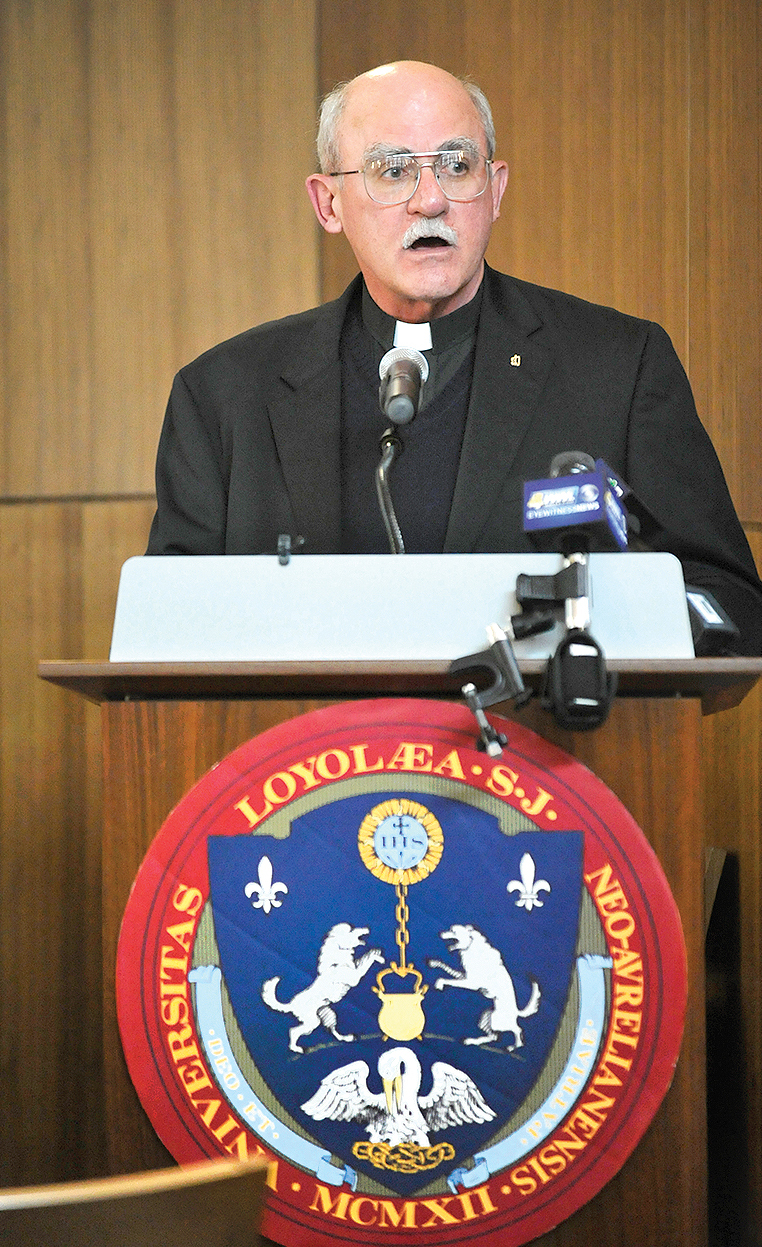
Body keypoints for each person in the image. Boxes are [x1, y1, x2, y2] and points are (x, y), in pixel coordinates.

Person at [146, 60, 762, 654]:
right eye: (392, 171)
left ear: (494, 190)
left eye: (456, 165)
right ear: (327, 204)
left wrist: (579, 625)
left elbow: (728, 602)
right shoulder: (224, 396)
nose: (430, 200)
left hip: (540, 746)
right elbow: (166, 634)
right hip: (315, 757)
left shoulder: (617, 368)